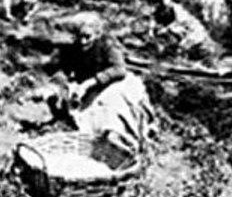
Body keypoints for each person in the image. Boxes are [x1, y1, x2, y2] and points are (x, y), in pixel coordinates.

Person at [46, 12, 157, 154]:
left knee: (114, 106)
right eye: (79, 37)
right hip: (88, 84)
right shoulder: (75, 48)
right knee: (64, 100)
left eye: (87, 37)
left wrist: (91, 82)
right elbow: (64, 69)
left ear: (97, 34)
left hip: (113, 82)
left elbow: (119, 69)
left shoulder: (107, 44)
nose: (83, 41)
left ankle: (120, 139)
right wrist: (62, 83)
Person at [152, 0, 219, 66]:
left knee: (183, 46)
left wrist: (166, 29)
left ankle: (184, 61)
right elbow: (154, 20)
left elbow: (182, 24)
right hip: (186, 36)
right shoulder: (161, 11)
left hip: (194, 35)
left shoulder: (179, 11)